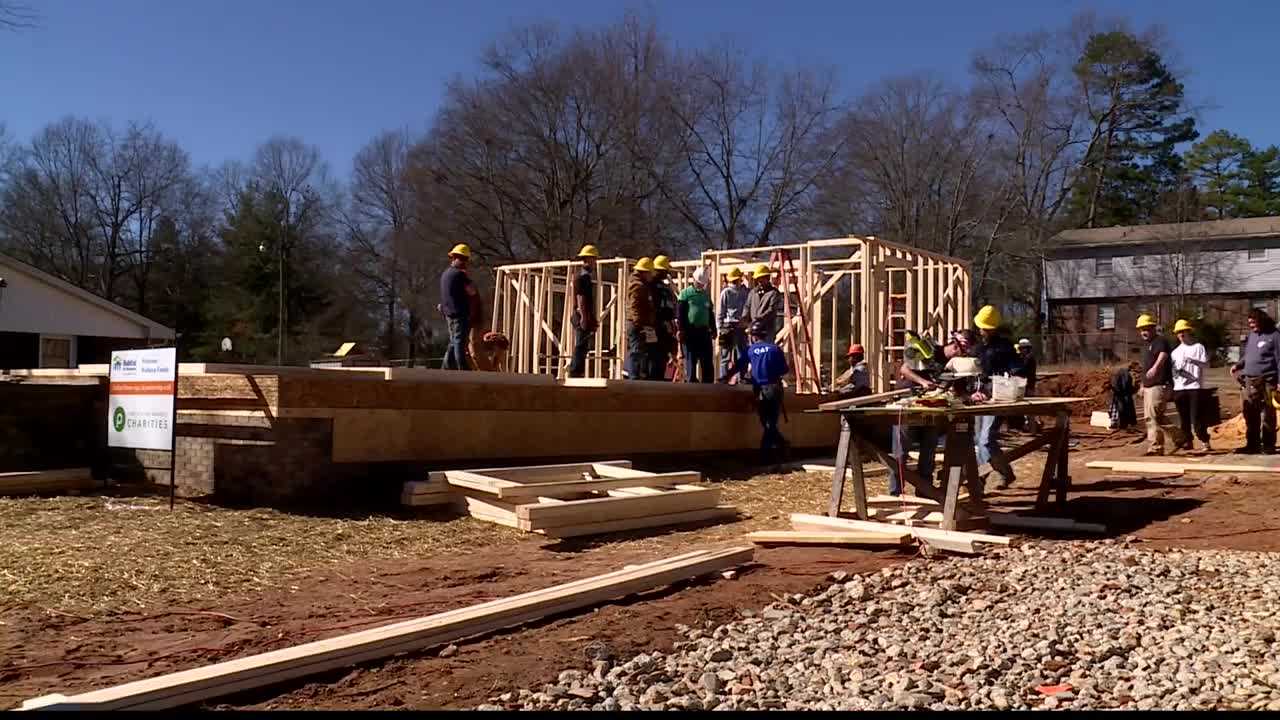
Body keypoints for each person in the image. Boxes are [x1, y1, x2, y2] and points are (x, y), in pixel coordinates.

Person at [887, 330, 963, 496]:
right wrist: (923, 382)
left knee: (928, 450)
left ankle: (925, 492)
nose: (958, 357)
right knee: (901, 452)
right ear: (954, 346)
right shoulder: (926, 348)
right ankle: (895, 493)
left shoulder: (948, 363)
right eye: (959, 352)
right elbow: (905, 369)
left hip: (929, 405)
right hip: (908, 402)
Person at [970, 305, 1018, 489]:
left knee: (986, 439)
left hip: (998, 395)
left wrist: (1006, 378)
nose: (981, 330)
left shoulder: (1005, 348)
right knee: (978, 440)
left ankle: (990, 476)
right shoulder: (979, 347)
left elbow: (1016, 369)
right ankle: (988, 477)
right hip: (979, 395)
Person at [1230, 308, 1280, 454]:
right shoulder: (1252, 335)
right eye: (1250, 323)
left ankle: (1268, 445)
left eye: (1254, 322)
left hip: (1267, 381)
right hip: (1249, 380)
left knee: (1268, 414)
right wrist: (1238, 365)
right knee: (1250, 413)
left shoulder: (1275, 335)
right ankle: (1252, 444)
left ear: (1261, 320)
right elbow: (1249, 355)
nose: (1252, 326)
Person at [744, 319, 790, 463]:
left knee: (766, 422)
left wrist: (725, 377)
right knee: (770, 423)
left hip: (759, 389)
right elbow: (784, 369)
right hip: (774, 388)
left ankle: (765, 455)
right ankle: (782, 446)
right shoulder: (774, 349)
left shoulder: (750, 350)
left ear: (753, 336)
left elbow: (740, 366)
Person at [1137, 313, 1181, 456]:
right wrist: (1142, 386)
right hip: (1149, 386)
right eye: (1142, 329)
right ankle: (1181, 437)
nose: (1144, 332)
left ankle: (1155, 447)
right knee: (1158, 417)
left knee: (1152, 417)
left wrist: (1156, 368)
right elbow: (1145, 368)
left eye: (1146, 329)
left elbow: (1163, 355)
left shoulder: (1160, 341)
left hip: (1159, 384)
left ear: (1153, 328)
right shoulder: (1147, 346)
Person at [1171, 319, 1212, 453]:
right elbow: (1173, 371)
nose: (1181, 334)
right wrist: (1177, 374)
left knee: (1196, 419)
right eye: (1179, 332)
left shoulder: (1198, 347)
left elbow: (1206, 365)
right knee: (1184, 420)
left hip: (1194, 387)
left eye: (1183, 331)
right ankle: (1188, 442)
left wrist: (1193, 361)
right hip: (1179, 388)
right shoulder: (1175, 352)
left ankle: (1204, 440)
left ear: (1189, 332)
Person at [439, 243, 479, 371]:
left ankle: (445, 369)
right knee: (459, 343)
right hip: (459, 313)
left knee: (453, 341)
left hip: (448, 313)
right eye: (464, 259)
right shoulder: (460, 275)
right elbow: (472, 291)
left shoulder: (445, 274)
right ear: (457, 258)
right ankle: (463, 369)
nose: (465, 263)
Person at [677, 267, 716, 383]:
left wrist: (713, 329)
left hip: (704, 332)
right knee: (691, 361)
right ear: (694, 280)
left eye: (702, 284)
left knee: (707, 362)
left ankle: (708, 385)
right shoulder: (685, 294)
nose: (700, 285)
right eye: (699, 283)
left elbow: (710, 313)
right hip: (690, 332)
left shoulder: (705, 296)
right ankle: (691, 384)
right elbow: (680, 314)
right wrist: (681, 330)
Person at [567, 244, 600, 378]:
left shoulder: (584, 276)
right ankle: (574, 372)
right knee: (581, 345)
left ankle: (577, 371)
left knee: (583, 345)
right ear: (587, 259)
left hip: (582, 314)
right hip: (580, 315)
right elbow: (581, 298)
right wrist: (584, 318)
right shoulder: (582, 277)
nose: (595, 263)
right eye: (593, 259)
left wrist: (591, 318)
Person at [625, 257, 657, 380]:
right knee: (636, 350)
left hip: (639, 323)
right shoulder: (637, 286)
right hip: (636, 323)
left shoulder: (641, 285)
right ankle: (633, 377)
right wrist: (640, 324)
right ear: (645, 272)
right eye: (650, 273)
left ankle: (636, 375)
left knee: (639, 350)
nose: (652, 276)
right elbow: (635, 307)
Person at [716, 267, 751, 383]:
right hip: (729, 326)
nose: (734, 284)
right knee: (726, 355)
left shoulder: (745, 292)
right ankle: (725, 378)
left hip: (740, 326)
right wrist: (720, 328)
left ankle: (741, 378)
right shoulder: (726, 292)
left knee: (740, 355)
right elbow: (720, 312)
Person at [650, 255, 678, 381]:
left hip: (663, 327)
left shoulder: (664, 288)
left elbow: (672, 306)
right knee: (654, 358)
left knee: (661, 358)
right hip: (656, 326)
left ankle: (658, 382)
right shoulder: (650, 287)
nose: (667, 273)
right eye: (666, 271)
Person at [745, 264, 782, 343]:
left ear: (767, 278)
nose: (759, 282)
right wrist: (745, 321)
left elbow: (771, 310)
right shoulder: (753, 292)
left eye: (761, 279)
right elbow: (747, 307)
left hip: (767, 331)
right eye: (758, 279)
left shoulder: (773, 293)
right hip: (753, 331)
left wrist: (759, 318)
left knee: (766, 352)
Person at [1109, 362, 1139, 430]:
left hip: (1119, 393)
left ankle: (1118, 423)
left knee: (1118, 409)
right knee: (1122, 409)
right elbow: (1125, 386)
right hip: (1122, 394)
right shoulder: (1126, 374)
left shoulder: (1121, 372)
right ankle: (1123, 424)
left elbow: (1116, 384)